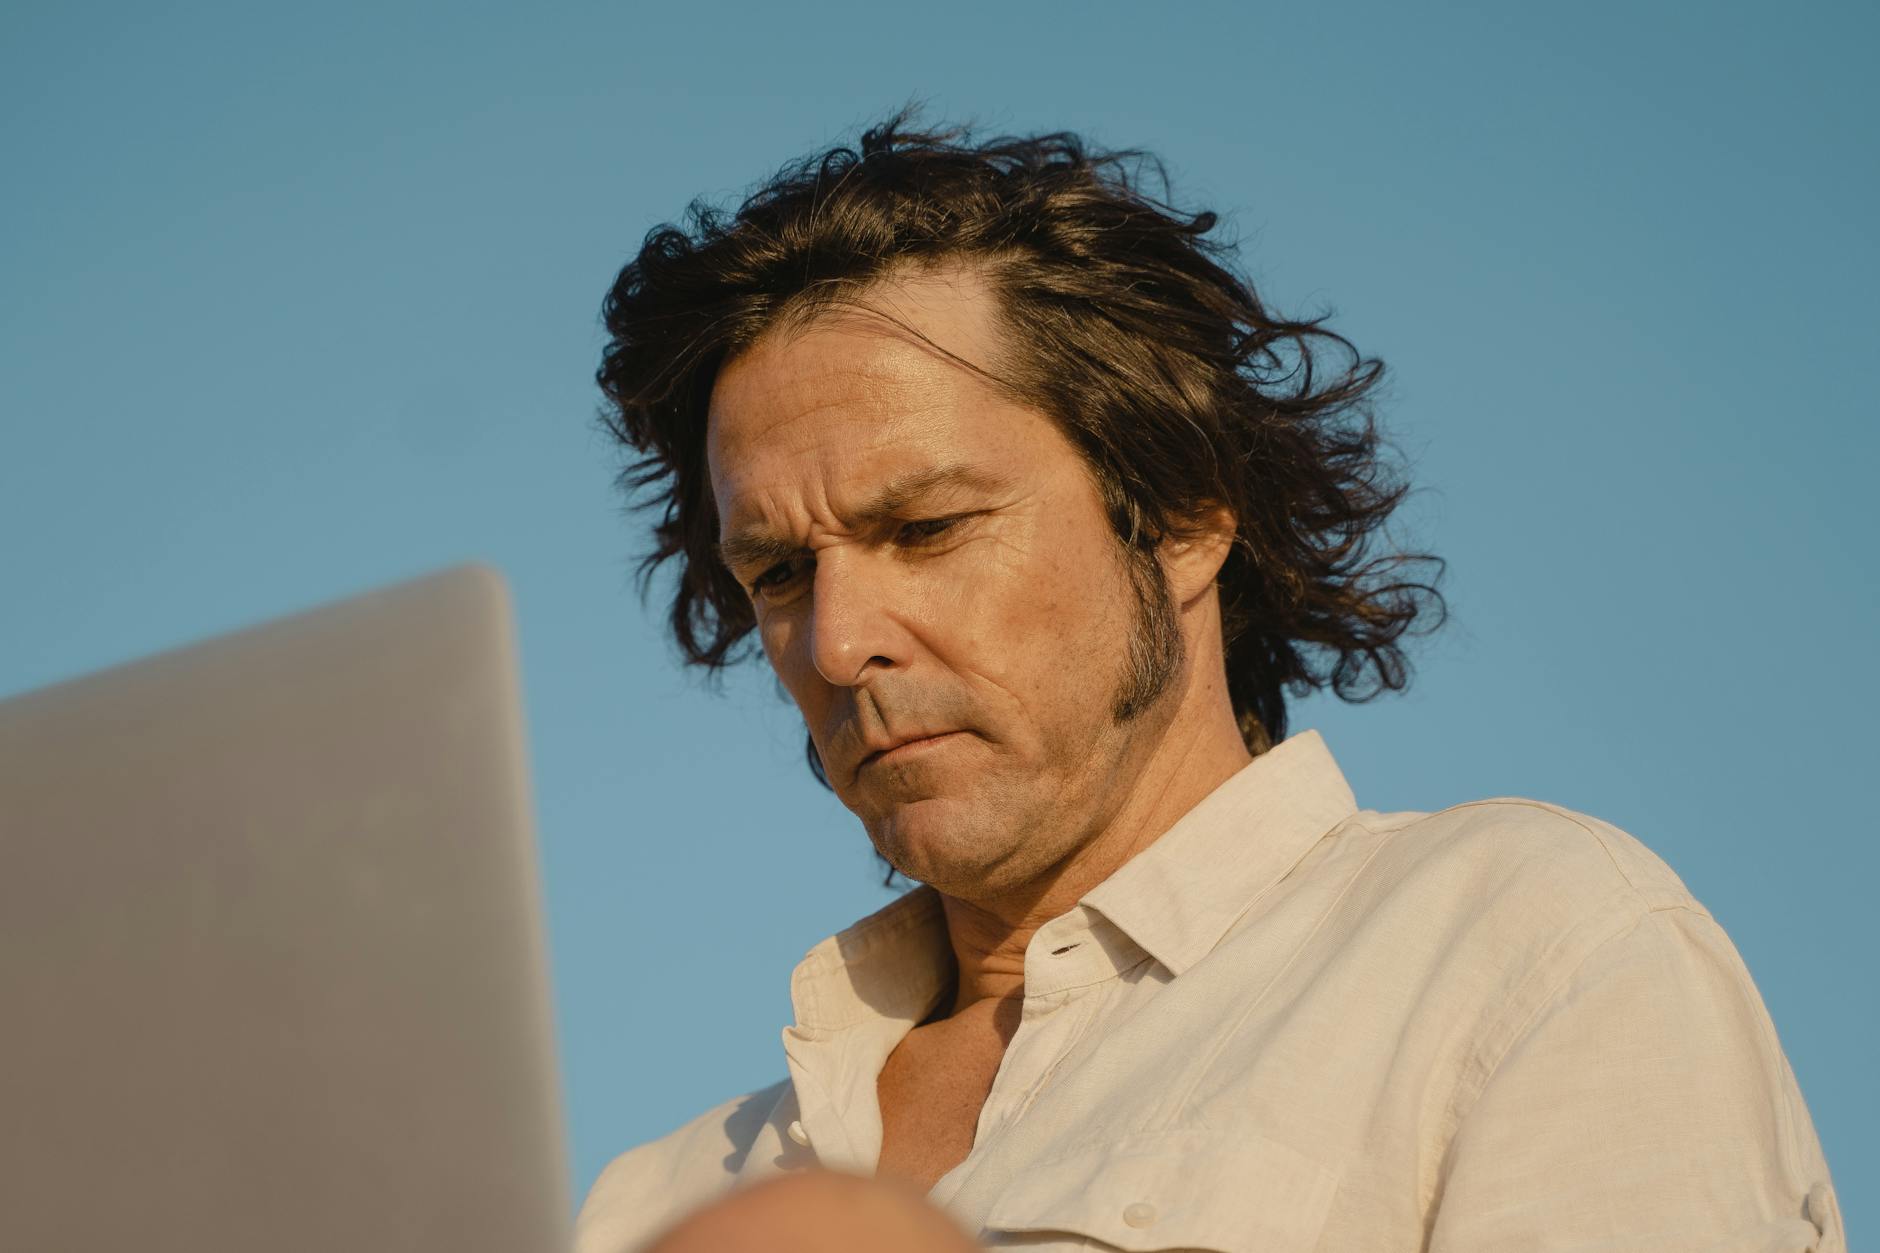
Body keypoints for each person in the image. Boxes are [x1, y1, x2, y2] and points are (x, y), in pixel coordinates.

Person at [575, 114, 1843, 1252]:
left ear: (1180, 516)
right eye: (781, 572)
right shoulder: (654, 1201)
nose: (840, 641)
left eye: (928, 529)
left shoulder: (1523, 946)